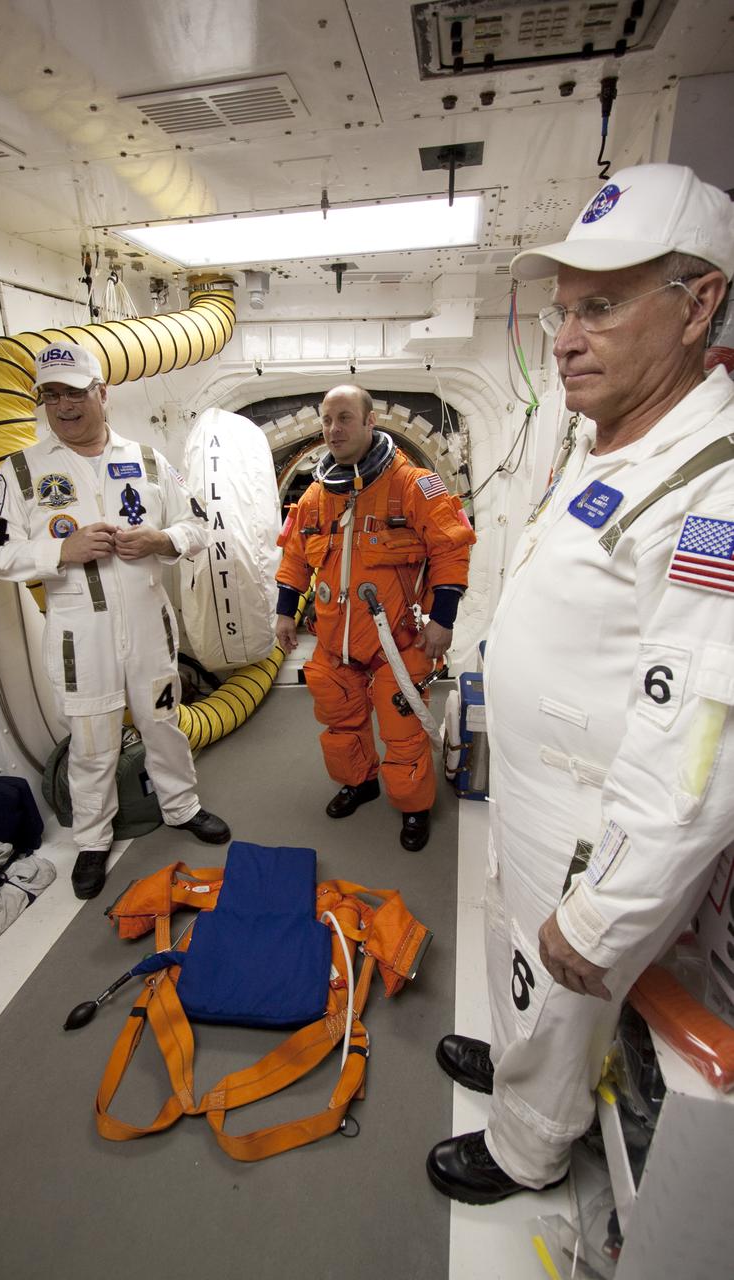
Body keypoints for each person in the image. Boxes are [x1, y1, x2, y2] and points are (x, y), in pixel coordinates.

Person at [428, 163, 734, 1204]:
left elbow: (699, 745)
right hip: (532, 788)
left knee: (563, 985)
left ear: (698, 305)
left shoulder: (715, 491)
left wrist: (605, 914)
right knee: (516, 959)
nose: (562, 337)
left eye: (599, 306)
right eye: (562, 310)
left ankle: (527, 1144)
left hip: (594, 827)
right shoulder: (606, 438)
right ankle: (514, 1063)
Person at [0, 340, 230, 900]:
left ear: (102, 394)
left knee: (163, 721)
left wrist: (162, 538)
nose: (63, 406)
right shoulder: (21, 471)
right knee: (91, 742)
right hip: (78, 636)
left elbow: (198, 524)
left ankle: (182, 807)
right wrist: (59, 551)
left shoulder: (148, 460)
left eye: (74, 392)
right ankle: (92, 840)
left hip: (148, 629)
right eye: (51, 395)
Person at [275, 385, 475, 850]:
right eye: (327, 420)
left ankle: (413, 807)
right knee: (341, 723)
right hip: (334, 642)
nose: (333, 429)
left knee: (402, 732)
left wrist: (443, 620)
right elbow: (295, 558)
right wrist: (286, 612)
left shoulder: (415, 485)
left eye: (344, 418)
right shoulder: (316, 496)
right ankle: (360, 783)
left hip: (396, 641)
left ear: (370, 422)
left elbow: (451, 550)